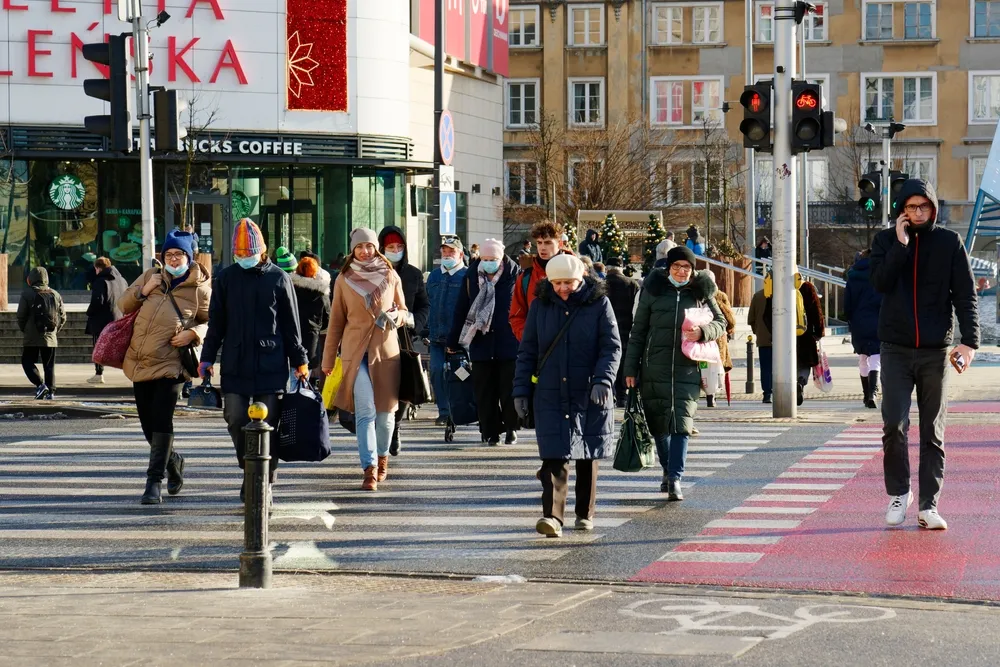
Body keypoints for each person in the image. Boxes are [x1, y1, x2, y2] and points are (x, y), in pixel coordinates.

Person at [870, 179, 979, 531]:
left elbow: (965, 295)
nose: (918, 213)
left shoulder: (949, 242)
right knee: (894, 426)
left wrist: (969, 342)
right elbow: (880, 284)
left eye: (924, 207)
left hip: (936, 352)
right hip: (896, 349)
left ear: (933, 208)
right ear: (902, 209)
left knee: (933, 429)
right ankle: (900, 494)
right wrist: (900, 246)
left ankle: (929, 505)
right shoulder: (885, 241)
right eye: (911, 207)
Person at [199, 219, 310, 502]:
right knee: (235, 417)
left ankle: (264, 481)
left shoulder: (278, 278)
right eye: (239, 255)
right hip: (235, 362)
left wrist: (300, 361)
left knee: (268, 425)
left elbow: (291, 325)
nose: (244, 259)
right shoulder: (225, 278)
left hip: (271, 363)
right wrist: (207, 357)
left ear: (261, 251)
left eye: (248, 254)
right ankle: (250, 469)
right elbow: (216, 324)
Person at [512, 254, 621, 537]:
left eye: (569, 282)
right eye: (557, 282)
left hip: (588, 390)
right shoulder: (540, 306)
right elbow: (528, 352)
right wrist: (521, 390)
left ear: (581, 277)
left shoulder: (598, 304)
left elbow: (611, 347)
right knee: (553, 455)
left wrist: (603, 380)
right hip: (549, 391)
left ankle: (584, 514)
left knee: (587, 454)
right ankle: (552, 517)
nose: (563, 288)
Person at [623, 246, 726, 500]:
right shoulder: (653, 290)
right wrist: (630, 368)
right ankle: (668, 471)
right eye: (677, 267)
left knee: (682, 424)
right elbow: (638, 332)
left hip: (687, 367)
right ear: (668, 268)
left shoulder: (701, 291)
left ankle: (675, 478)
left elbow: (721, 322)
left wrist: (703, 332)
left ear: (693, 270)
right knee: (659, 424)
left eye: (687, 267)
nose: (682, 271)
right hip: (653, 367)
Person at [119, 231, 209, 504]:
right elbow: (123, 305)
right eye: (168, 254)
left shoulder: (200, 289)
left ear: (188, 257)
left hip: (172, 363)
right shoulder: (150, 277)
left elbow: (213, 322)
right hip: (140, 360)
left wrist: (194, 334)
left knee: (161, 420)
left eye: (178, 254)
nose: (172, 259)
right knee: (148, 425)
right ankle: (174, 461)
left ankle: (153, 481)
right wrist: (143, 291)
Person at [323, 228, 408, 491]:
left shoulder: (390, 275)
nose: (365, 251)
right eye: (359, 247)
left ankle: (383, 457)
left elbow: (404, 310)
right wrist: (327, 359)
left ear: (376, 248)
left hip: (385, 352)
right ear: (353, 250)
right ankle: (369, 468)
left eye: (369, 246)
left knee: (385, 415)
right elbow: (335, 321)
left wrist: (396, 317)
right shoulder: (343, 279)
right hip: (354, 353)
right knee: (365, 412)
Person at [448, 238, 521, 446]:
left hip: (509, 342)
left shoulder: (514, 276)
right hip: (480, 341)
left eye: (493, 259)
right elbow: (461, 308)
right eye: (485, 258)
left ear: (502, 258)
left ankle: (510, 428)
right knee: (484, 391)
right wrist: (454, 340)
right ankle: (491, 431)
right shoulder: (472, 276)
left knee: (508, 390)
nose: (489, 262)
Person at [378, 226, 429, 456]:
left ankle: (395, 426)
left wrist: (413, 322)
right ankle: (381, 429)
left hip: (403, 336)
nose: (395, 251)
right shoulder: (373, 271)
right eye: (390, 247)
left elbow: (423, 305)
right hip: (376, 337)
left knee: (404, 385)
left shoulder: (413, 274)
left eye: (399, 247)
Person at [425, 236, 468, 426]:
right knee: (436, 371)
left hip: (459, 338)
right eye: (445, 251)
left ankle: (462, 409)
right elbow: (427, 303)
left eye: (451, 251)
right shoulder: (434, 276)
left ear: (460, 254)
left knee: (461, 373)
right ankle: (443, 411)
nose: (447, 254)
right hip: (436, 337)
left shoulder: (467, 275)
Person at [510, 219, 565, 341]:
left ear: (560, 244)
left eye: (548, 243)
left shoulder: (576, 271)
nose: (542, 248)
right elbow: (516, 315)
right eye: (539, 243)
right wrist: (528, 339)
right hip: (537, 349)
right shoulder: (526, 277)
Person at [17, 266, 66, 400]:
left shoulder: (27, 294)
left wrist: (25, 330)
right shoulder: (55, 294)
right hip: (50, 336)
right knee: (49, 365)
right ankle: (51, 392)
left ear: (30, 279)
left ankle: (40, 385)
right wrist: (55, 331)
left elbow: (21, 316)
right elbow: (63, 317)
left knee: (27, 361)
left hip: (32, 336)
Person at [844, 250, 883, 409]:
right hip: (876, 320)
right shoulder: (878, 276)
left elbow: (847, 303)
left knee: (862, 357)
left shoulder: (852, 277)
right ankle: (873, 393)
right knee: (876, 356)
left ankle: (866, 394)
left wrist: (850, 319)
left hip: (858, 322)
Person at [604, 257, 640, 407]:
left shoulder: (602, 284)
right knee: (624, 360)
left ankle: (609, 392)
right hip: (626, 327)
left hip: (606, 328)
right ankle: (622, 395)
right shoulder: (631, 284)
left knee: (608, 360)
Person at [85, 257, 128, 384]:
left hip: (101, 320)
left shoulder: (100, 281)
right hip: (119, 318)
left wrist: (89, 312)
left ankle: (99, 374)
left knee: (98, 346)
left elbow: (98, 301)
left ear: (97, 268)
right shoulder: (122, 280)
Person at [291, 256, 332, 377]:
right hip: (311, 338)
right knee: (304, 375)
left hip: (291, 336)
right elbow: (327, 318)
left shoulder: (290, 288)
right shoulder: (321, 292)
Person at [703, 273, 736, 408]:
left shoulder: (693, 294)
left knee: (703, 366)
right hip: (717, 339)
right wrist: (729, 331)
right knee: (714, 367)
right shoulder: (720, 296)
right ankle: (711, 396)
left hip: (700, 338)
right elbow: (730, 319)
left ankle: (703, 393)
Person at [796, 274, 825, 406]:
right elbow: (816, 310)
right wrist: (819, 331)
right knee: (805, 363)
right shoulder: (807, 287)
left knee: (790, 361)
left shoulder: (780, 285)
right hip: (806, 332)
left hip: (784, 333)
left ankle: (792, 384)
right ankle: (801, 382)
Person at [747, 279, 773, 403]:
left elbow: (751, 318)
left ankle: (768, 393)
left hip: (764, 338)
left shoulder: (758, 296)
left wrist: (758, 331)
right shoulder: (787, 295)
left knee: (766, 367)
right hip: (784, 340)